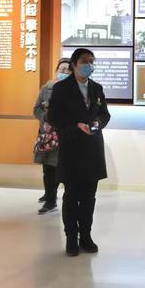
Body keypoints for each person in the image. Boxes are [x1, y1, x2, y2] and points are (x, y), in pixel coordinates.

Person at [47, 48, 111, 257]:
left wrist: (97, 123)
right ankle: (71, 238)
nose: (88, 65)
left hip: (93, 149)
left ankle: (86, 236)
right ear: (74, 64)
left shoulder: (96, 88)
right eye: (84, 61)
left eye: (91, 61)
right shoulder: (61, 88)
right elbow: (53, 117)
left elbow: (105, 114)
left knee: (89, 197)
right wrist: (76, 126)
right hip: (72, 150)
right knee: (71, 196)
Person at [33, 58, 71, 215]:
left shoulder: (75, 90)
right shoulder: (46, 88)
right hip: (49, 137)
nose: (64, 72)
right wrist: (45, 120)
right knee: (48, 170)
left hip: (67, 137)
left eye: (68, 69)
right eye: (62, 69)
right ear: (56, 70)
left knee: (65, 170)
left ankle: (65, 200)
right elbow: (36, 109)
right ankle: (50, 199)